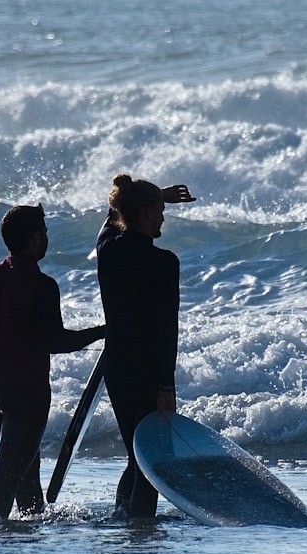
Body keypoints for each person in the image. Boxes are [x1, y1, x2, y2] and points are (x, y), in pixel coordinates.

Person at [0, 204, 105, 519]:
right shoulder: (42, 285)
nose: (46, 238)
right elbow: (56, 342)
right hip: (25, 391)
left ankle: (29, 529)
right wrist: (103, 332)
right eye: (44, 232)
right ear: (34, 238)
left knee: (24, 465)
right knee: (9, 475)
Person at [96, 174, 195, 520]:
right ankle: (140, 534)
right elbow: (167, 328)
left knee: (135, 454)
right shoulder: (164, 263)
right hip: (149, 373)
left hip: (117, 368)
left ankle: (123, 520)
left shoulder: (106, 248)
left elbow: (113, 216)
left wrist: (154, 196)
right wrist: (166, 385)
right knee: (151, 464)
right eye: (159, 210)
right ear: (149, 213)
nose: (164, 216)